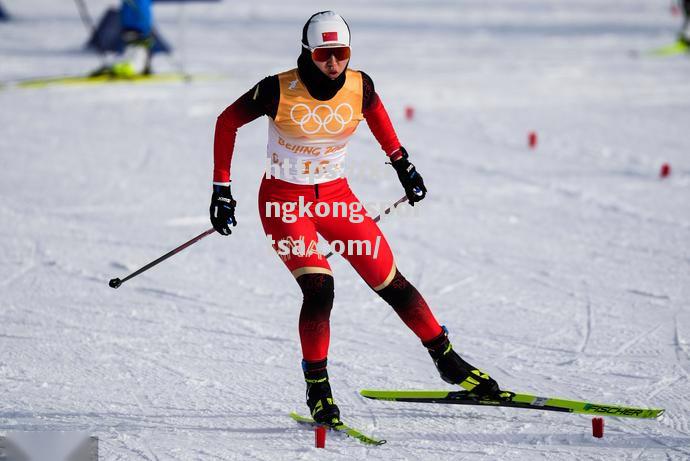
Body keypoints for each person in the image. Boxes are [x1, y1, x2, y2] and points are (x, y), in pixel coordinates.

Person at [209, 11, 508, 425]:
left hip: (336, 198)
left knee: (392, 281)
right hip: (284, 201)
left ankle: (447, 360)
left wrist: (403, 165)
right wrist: (221, 190)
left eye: (341, 53)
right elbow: (227, 122)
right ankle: (318, 388)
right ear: (306, 52)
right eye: (323, 54)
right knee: (320, 289)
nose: (333, 63)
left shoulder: (360, 85)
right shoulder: (276, 89)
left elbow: (380, 119)